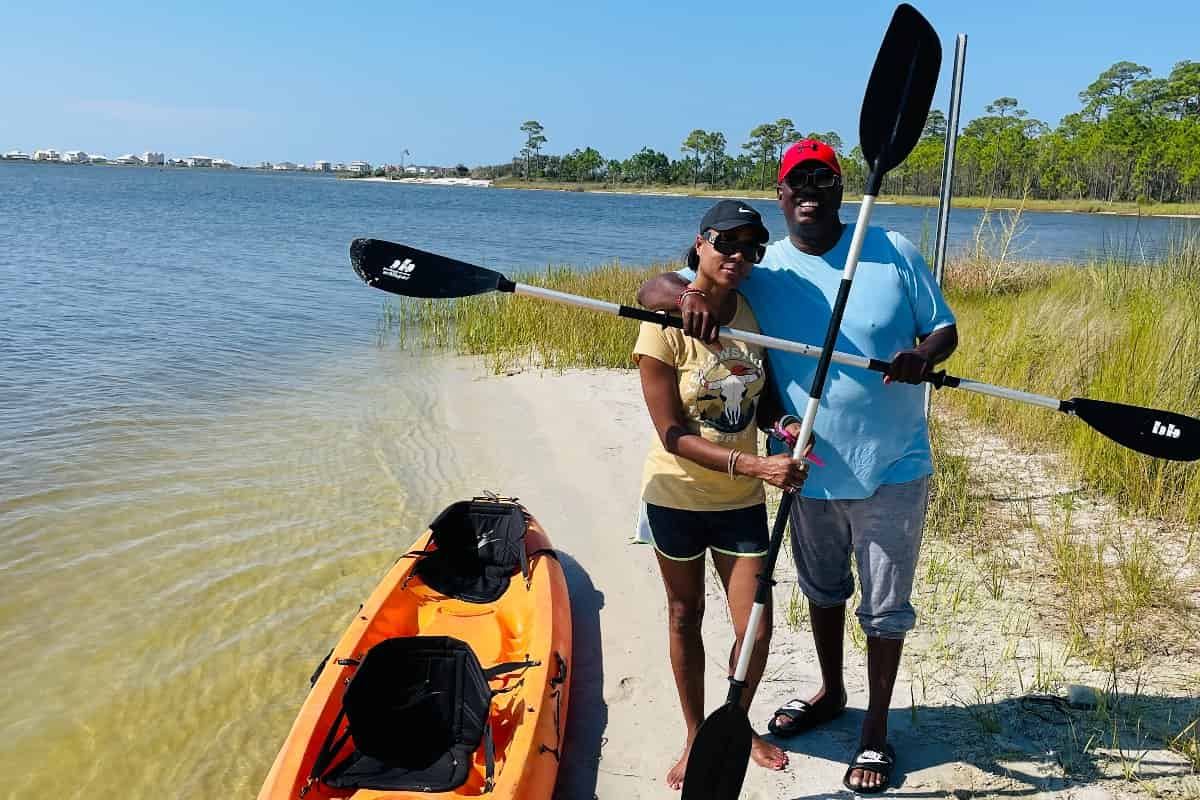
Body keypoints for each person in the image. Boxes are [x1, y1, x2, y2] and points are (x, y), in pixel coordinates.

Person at [636, 140, 958, 794]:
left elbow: (944, 329)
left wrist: (922, 355)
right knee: (823, 591)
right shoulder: (765, 268)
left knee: (885, 608)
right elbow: (665, 284)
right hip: (805, 468)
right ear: (781, 195)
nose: (809, 192)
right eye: (796, 183)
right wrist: (676, 293)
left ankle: (874, 731)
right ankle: (831, 692)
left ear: (841, 189)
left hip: (894, 462)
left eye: (822, 180)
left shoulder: (893, 248)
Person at [632, 198, 811, 790]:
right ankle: (693, 733)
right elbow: (671, 433)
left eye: (751, 248)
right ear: (700, 243)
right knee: (685, 615)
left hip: (738, 505)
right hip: (676, 497)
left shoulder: (751, 318)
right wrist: (754, 464)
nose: (738, 256)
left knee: (755, 626)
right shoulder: (663, 322)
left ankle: (734, 722)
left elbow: (762, 406)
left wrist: (784, 431)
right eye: (726, 243)